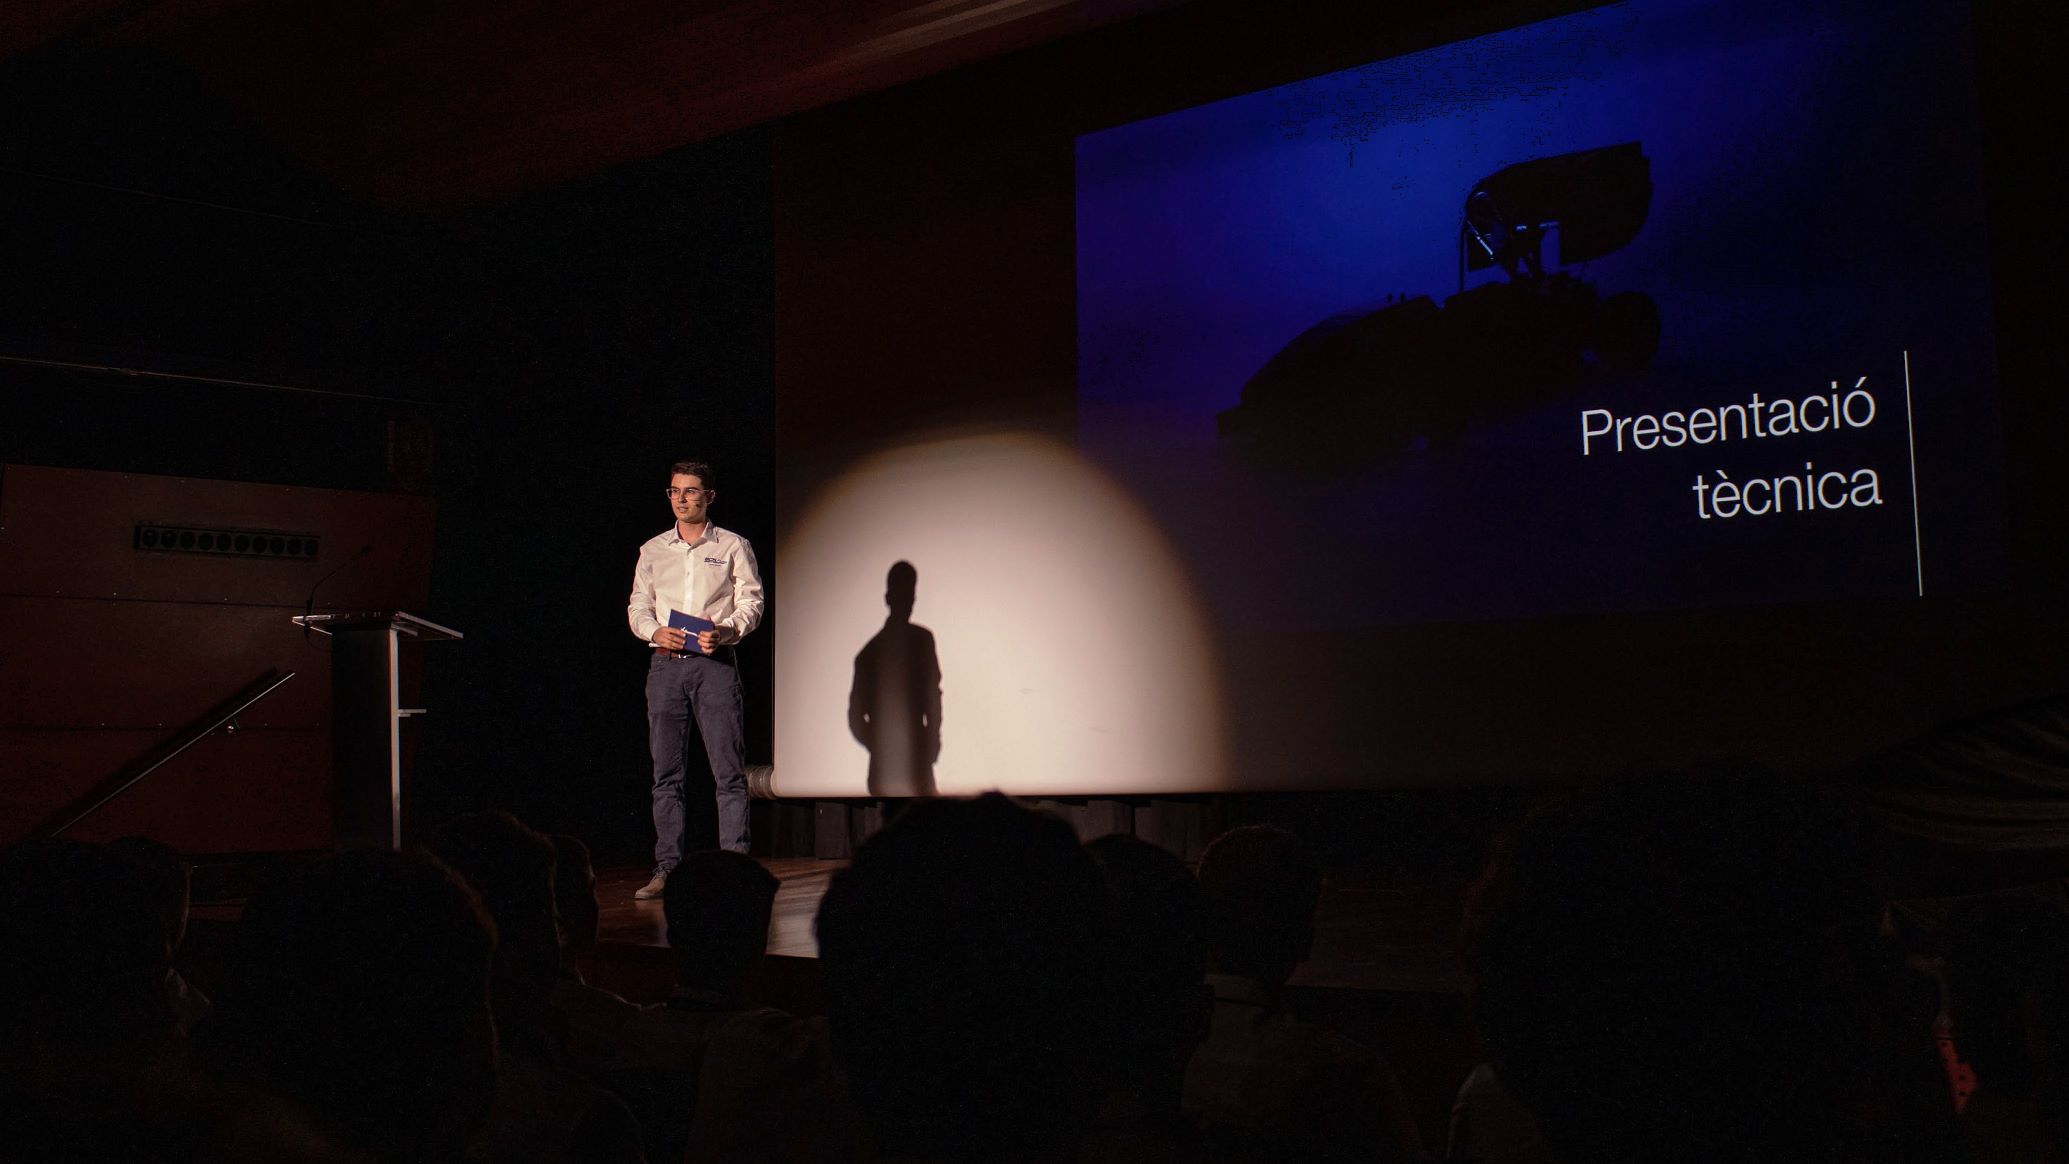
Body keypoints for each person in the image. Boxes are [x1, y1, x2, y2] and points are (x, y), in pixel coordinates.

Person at [627, 458, 765, 899]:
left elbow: (752, 602)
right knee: (666, 775)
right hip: (665, 666)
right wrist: (654, 631)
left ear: (709, 496)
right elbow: (638, 605)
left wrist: (725, 630)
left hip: (714, 666)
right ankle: (667, 868)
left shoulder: (732, 545)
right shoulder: (653, 549)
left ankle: (735, 868)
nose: (681, 498)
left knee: (728, 772)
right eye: (674, 491)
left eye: (690, 491)